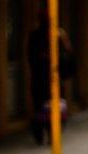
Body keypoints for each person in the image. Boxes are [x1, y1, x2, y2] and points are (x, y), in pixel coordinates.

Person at [27, 8, 74, 145]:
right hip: (51, 78)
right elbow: (68, 52)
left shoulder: (37, 35)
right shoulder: (56, 34)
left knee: (40, 107)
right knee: (52, 107)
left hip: (40, 78)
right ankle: (49, 134)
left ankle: (41, 132)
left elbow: (30, 57)